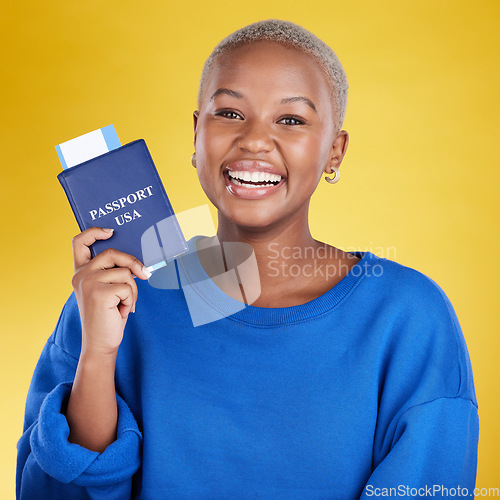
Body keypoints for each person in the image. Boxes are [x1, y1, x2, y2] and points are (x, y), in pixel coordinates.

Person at [16, 19, 479, 499]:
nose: (255, 140)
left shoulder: (409, 317)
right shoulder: (113, 300)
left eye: (292, 120)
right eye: (230, 114)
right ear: (196, 136)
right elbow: (51, 493)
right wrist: (98, 355)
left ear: (334, 152)